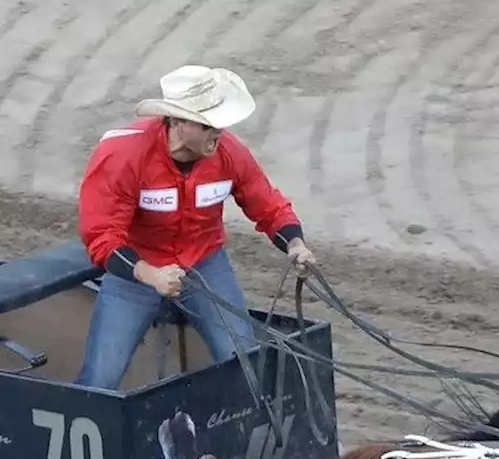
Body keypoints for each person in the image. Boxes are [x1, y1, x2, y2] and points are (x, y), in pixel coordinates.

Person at [75, 64, 317, 391]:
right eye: (207, 124)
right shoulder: (123, 155)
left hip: (204, 262)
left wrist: (295, 245)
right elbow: (102, 236)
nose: (218, 132)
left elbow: (267, 203)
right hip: (138, 271)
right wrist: (152, 275)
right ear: (177, 122)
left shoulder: (229, 152)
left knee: (243, 359)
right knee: (100, 379)